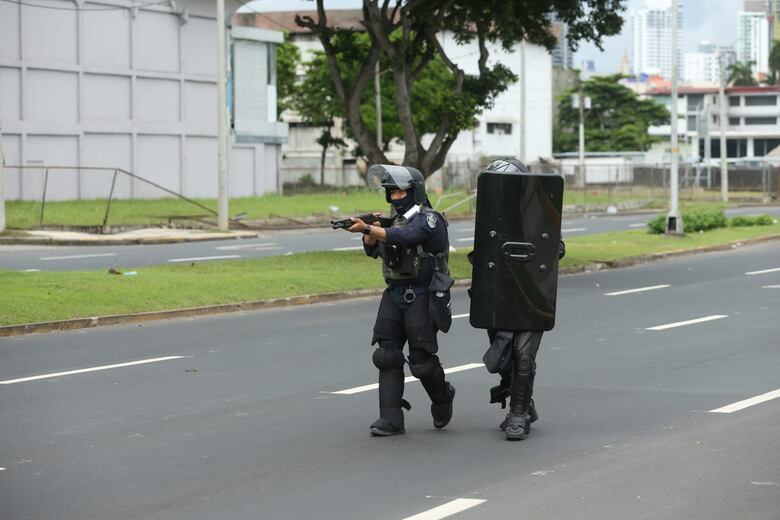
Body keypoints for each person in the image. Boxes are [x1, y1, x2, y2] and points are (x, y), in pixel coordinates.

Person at [341, 164, 456, 437]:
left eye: (400, 192)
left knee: (420, 361)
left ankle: (442, 397)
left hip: (423, 294)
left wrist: (371, 227)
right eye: (391, 193)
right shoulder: (394, 222)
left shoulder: (430, 219)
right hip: (394, 293)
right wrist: (368, 231)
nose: (395, 198)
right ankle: (391, 419)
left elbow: (408, 237)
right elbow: (373, 250)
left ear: (414, 191)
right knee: (386, 354)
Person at [468, 158, 565, 441]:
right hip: (498, 298)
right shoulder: (490, 214)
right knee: (503, 360)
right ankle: (526, 402)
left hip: (531, 298)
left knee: (524, 358)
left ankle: (518, 415)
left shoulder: (537, 211)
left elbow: (554, 247)